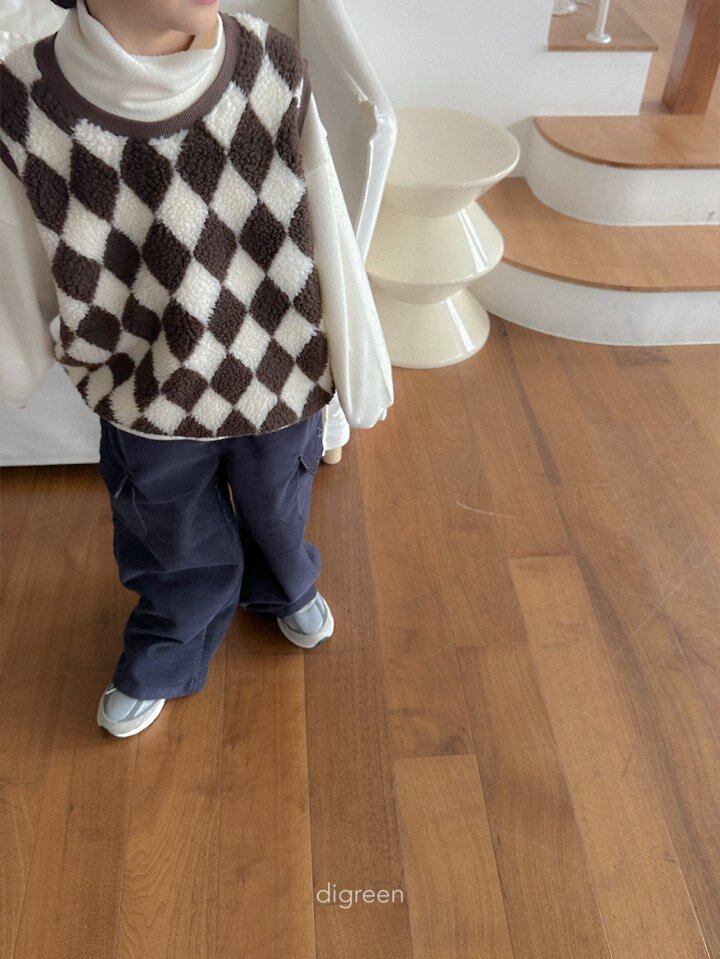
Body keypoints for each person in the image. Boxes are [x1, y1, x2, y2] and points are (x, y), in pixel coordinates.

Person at [0, 0, 392, 738]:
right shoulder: (26, 101)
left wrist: (360, 362)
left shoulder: (270, 67)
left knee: (279, 503)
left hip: (278, 369)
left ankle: (285, 583)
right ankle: (173, 636)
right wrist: (13, 363)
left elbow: (326, 217)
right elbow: (14, 250)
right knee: (167, 530)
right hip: (142, 387)